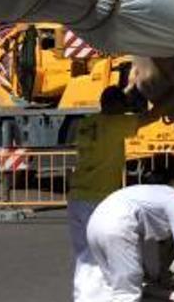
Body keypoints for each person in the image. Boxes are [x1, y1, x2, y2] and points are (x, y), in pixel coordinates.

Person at [85, 181, 174, 302]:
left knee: (111, 285)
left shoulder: (152, 195)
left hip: (94, 224)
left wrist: (154, 276)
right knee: (127, 293)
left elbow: (149, 244)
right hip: (118, 226)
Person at [68, 86, 134, 301]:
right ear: (116, 106)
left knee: (83, 254)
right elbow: (150, 117)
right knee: (96, 254)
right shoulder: (117, 124)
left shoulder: (87, 123)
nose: (126, 111)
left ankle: (83, 295)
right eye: (123, 107)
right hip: (98, 198)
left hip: (77, 195)